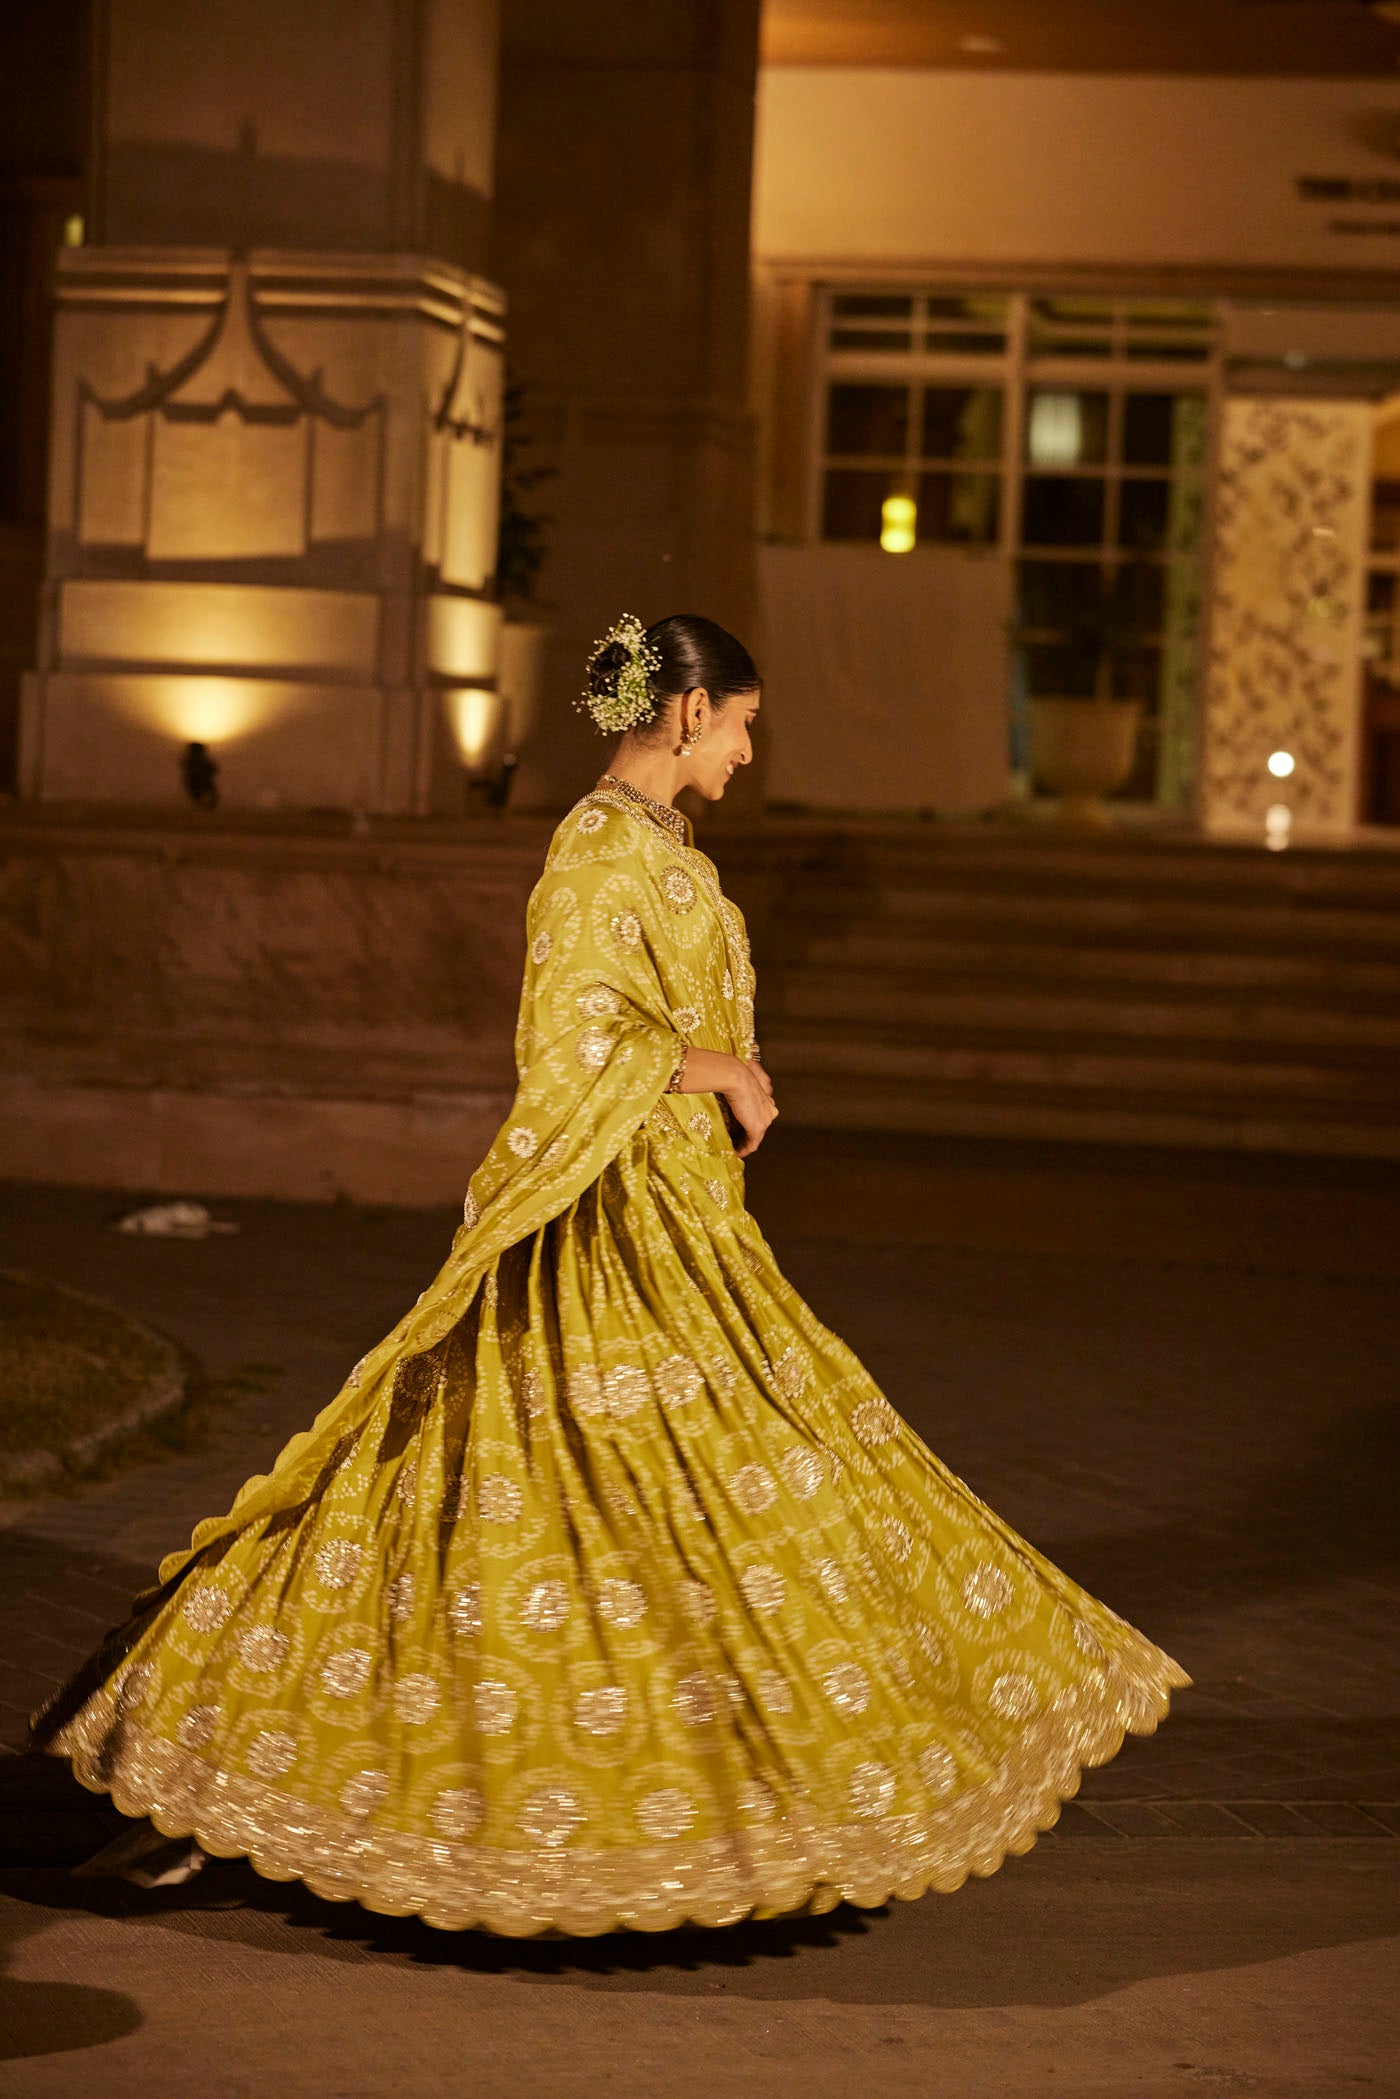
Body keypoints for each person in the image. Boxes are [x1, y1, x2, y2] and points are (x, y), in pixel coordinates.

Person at [33, 612, 1188, 1936]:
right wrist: (722, 1071)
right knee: (561, 1492)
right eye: (745, 725)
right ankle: (218, 1771)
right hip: (605, 1234)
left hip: (681, 1222)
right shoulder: (593, 851)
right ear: (688, 715)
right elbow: (570, 1044)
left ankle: (691, 1800)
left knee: (666, 1502)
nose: (750, 755)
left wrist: (714, 1085)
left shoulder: (663, 844)